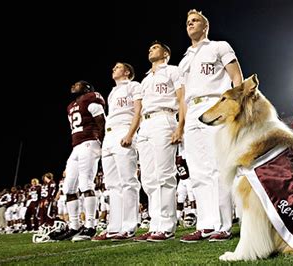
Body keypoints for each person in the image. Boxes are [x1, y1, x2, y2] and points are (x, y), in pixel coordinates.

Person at [178, 9, 243, 243]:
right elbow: (183, 94)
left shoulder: (219, 46)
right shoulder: (184, 58)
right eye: (188, 22)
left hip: (214, 105)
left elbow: (236, 76)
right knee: (197, 171)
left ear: (205, 26)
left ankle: (223, 224)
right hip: (192, 109)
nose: (190, 24)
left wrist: (235, 106)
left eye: (195, 20)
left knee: (217, 167)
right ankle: (205, 225)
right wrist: (181, 123)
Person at [133, 40, 185, 242]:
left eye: (155, 47)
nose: (150, 49)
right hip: (145, 124)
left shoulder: (172, 70)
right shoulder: (145, 79)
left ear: (166, 53)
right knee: (148, 178)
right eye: (149, 47)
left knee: (164, 175)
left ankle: (167, 225)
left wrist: (179, 126)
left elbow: (182, 99)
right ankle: (155, 224)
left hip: (164, 118)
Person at [92, 62, 142, 241]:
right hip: (110, 136)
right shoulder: (112, 92)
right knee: (112, 184)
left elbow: (138, 111)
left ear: (127, 71)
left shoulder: (134, 86)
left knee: (128, 181)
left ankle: (129, 226)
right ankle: (114, 227)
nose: (113, 69)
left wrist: (131, 133)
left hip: (124, 131)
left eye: (117, 67)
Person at [53, 80, 106, 241]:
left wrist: (103, 143)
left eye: (78, 84)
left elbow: (101, 121)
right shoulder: (71, 106)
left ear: (87, 88)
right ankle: (74, 226)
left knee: (86, 184)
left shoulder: (90, 98)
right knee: (69, 188)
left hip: (90, 142)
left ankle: (90, 225)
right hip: (76, 146)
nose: (73, 86)